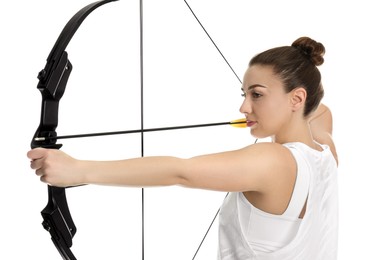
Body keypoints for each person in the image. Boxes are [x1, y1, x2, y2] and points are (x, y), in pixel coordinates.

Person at [27, 36, 338, 259]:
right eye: (244, 94)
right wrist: (279, 114)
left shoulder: (273, 160)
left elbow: (181, 172)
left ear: (297, 99)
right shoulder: (325, 149)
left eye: (256, 95)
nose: (243, 107)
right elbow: (321, 112)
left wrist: (77, 170)